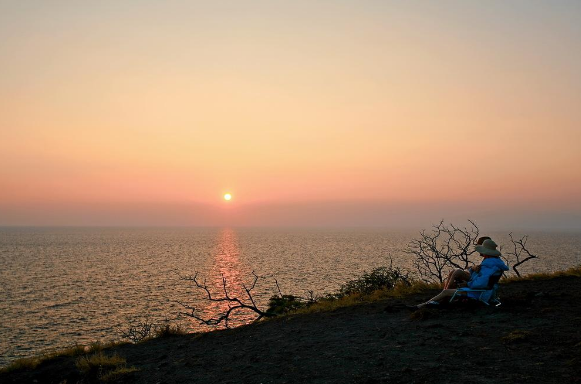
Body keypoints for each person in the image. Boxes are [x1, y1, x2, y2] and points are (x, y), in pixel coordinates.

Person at [415, 238, 509, 308]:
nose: (482, 253)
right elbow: (482, 279)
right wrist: (472, 270)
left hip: (478, 293)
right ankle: (429, 303)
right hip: (482, 291)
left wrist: (467, 284)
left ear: (487, 253)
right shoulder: (494, 263)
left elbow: (481, 283)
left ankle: (422, 306)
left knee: (446, 291)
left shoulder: (489, 266)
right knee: (451, 284)